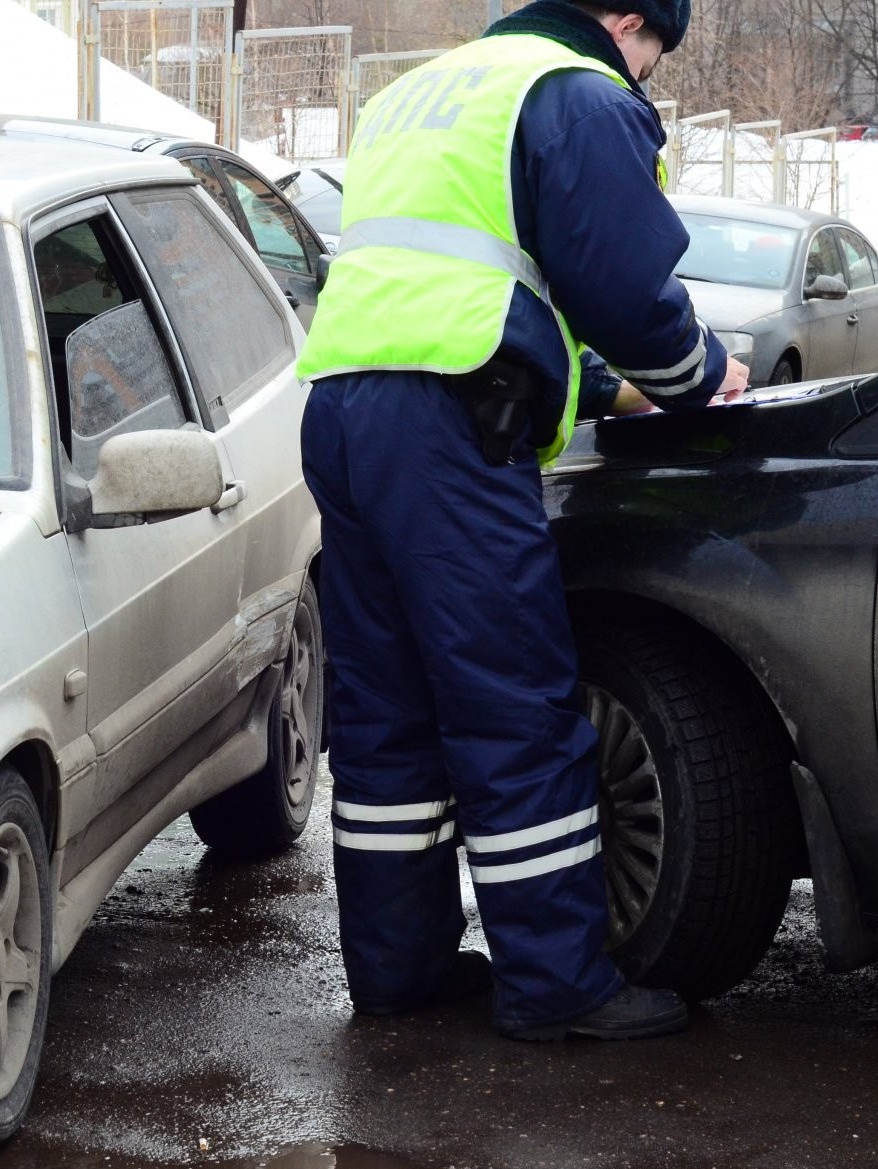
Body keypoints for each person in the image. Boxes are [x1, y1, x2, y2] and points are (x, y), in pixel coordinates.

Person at [295, 0, 747, 1041]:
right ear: (628, 20)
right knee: (511, 697)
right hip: (449, 425)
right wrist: (699, 377)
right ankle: (557, 985)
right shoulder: (575, 93)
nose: (645, 77)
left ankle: (398, 970)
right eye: (652, 54)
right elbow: (627, 295)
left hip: (344, 408)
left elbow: (464, 285)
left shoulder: (418, 92)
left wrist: (597, 391)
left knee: (387, 708)